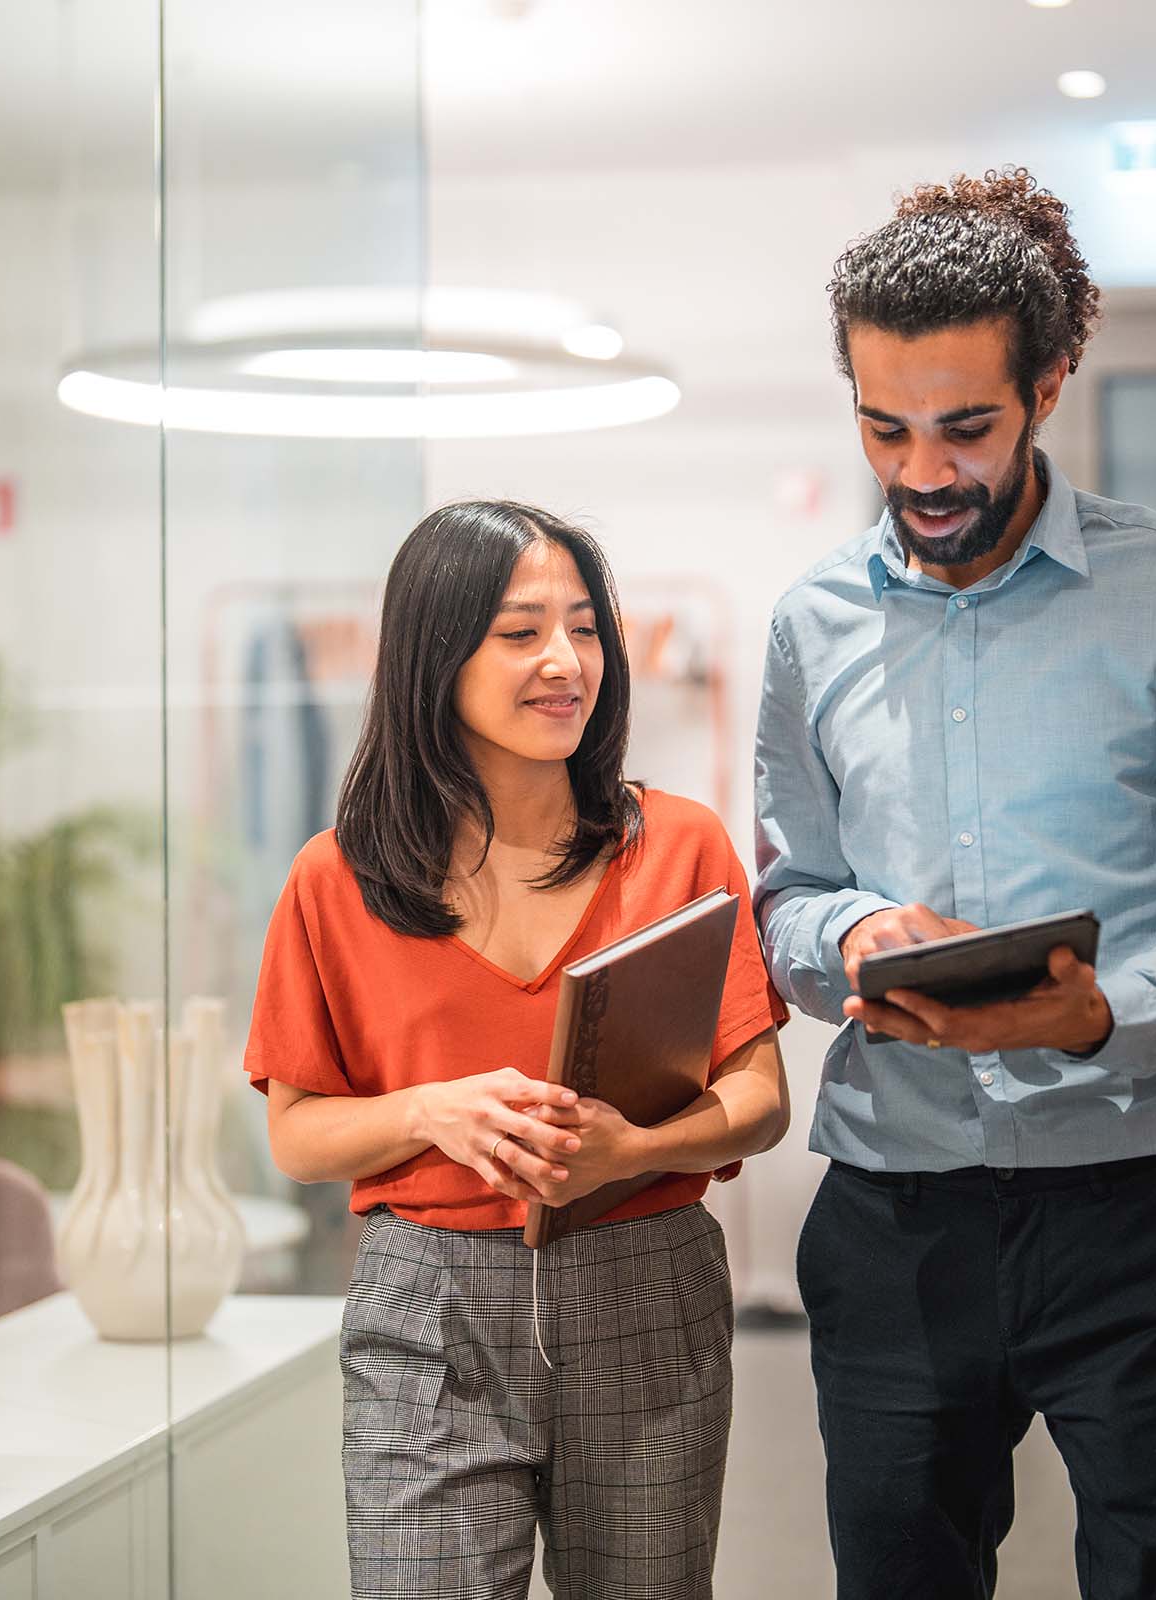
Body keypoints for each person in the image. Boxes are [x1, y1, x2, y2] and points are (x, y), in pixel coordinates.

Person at [754, 168, 1156, 1599]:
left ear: (1051, 384)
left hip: (1136, 1207)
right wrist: (854, 930)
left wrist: (1092, 1016)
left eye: (966, 428)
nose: (923, 472)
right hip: (894, 1214)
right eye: (885, 428)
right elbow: (788, 897)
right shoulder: (812, 623)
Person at [245, 500, 789, 1600]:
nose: (564, 662)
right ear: (434, 653)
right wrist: (426, 1111)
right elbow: (298, 1135)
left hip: (648, 1288)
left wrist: (633, 1147)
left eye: (584, 629)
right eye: (521, 631)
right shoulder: (335, 878)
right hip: (428, 1306)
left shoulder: (679, 845)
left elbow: (761, 1099)